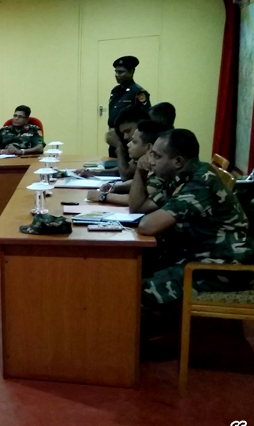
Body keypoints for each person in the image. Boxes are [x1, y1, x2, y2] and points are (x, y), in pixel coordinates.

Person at [138, 129, 252, 307]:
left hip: (223, 267)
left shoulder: (200, 183)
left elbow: (148, 226)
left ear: (178, 161)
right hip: (199, 256)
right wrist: (140, 172)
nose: (151, 162)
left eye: (157, 156)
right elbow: (141, 207)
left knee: (136, 290)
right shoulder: (183, 175)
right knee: (134, 269)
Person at [86, 120, 169, 211]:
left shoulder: (160, 171)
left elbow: (137, 200)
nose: (128, 144)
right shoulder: (147, 165)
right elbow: (143, 182)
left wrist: (103, 196)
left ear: (149, 147)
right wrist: (116, 187)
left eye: (134, 142)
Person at [106, 56, 151, 158]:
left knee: (126, 164)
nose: (117, 75)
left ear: (131, 72)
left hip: (128, 139)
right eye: (116, 72)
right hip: (114, 137)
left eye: (121, 72)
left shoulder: (138, 92)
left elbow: (145, 119)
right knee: (113, 162)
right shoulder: (115, 91)